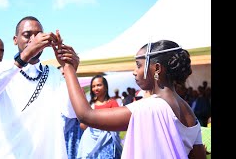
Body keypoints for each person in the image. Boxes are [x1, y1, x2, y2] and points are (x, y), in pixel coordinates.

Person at [57, 39, 206, 158]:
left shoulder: (150, 108)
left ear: (157, 69)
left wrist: (68, 68)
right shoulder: (189, 112)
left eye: (139, 65)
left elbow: (86, 116)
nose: (134, 72)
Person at [0, 16, 80, 158]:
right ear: (15, 39)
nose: (33, 40)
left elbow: (71, 113)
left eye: (38, 35)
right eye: (27, 35)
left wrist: (70, 69)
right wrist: (24, 57)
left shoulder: (54, 73)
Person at [77, 74, 123, 159]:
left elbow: (118, 122)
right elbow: (83, 126)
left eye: (99, 85)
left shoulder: (112, 103)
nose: (96, 88)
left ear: (105, 87)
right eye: (93, 86)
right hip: (91, 143)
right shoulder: (89, 105)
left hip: (108, 143)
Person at [58, 66, 84, 159]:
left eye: (66, 73)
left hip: (74, 126)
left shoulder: (77, 89)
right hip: (58, 125)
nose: (64, 76)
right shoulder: (54, 88)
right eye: (62, 74)